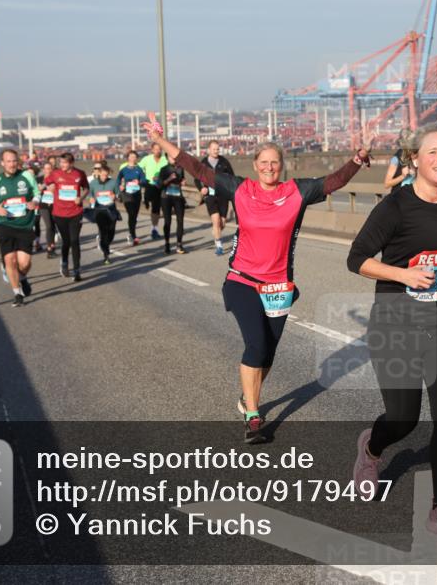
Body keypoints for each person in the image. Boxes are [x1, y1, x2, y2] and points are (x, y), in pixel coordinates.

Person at [143, 113, 368, 443]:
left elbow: (334, 182)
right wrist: (161, 141)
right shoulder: (240, 189)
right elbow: (197, 168)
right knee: (257, 344)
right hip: (242, 280)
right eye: (263, 162)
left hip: (278, 287)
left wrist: (358, 159)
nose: (269, 167)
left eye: (274, 162)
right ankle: (252, 415)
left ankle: (245, 398)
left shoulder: (297, 192)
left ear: (282, 165)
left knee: (268, 354)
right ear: (255, 164)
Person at [348, 122, 437, 544]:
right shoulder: (395, 206)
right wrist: (404, 274)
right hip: (396, 322)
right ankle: (372, 450)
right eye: (432, 151)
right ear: (415, 159)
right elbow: (356, 258)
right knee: (403, 418)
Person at [0, 148, 40, 306]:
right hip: (5, 224)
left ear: (18, 162)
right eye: (8, 161)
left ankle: (22, 278)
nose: (12, 164)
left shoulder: (26, 176)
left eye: (14, 161)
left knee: (24, 263)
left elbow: (36, 193)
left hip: (25, 224)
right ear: (2, 163)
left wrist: (34, 202)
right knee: (10, 261)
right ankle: (17, 294)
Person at [44, 152, 89, 281]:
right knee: (66, 241)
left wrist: (81, 197)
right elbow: (47, 182)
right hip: (59, 213)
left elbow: (86, 188)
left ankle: (77, 270)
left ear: (71, 163)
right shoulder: (56, 173)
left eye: (64, 163)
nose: (62, 165)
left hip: (76, 212)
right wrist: (50, 187)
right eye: (60, 163)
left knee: (75, 241)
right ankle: (64, 262)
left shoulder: (79, 174)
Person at [195, 140, 236, 255]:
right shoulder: (203, 163)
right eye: (214, 149)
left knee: (222, 222)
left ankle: (216, 231)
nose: (216, 151)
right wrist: (201, 188)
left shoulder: (224, 162)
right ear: (208, 150)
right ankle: (219, 245)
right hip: (210, 196)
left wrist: (231, 189)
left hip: (223, 195)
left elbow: (232, 177)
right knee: (216, 220)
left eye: (218, 149)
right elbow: (196, 178)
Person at [86, 161, 121, 265]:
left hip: (111, 210)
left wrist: (116, 197)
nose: (104, 177)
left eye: (106, 175)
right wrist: (90, 199)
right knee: (103, 231)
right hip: (99, 210)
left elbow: (118, 195)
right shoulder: (93, 183)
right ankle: (106, 254)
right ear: (99, 173)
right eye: (103, 175)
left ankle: (105, 244)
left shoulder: (113, 182)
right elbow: (89, 195)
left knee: (111, 232)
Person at [158, 153, 187, 255]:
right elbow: (160, 185)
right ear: (167, 158)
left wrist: (183, 181)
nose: (173, 159)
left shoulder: (180, 168)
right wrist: (169, 179)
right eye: (171, 157)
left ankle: (179, 244)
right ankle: (167, 243)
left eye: (174, 157)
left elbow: (182, 180)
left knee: (180, 221)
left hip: (178, 197)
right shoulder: (164, 169)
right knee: (168, 221)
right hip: (166, 198)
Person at [138, 142, 167, 241]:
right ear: (152, 150)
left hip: (161, 186)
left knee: (156, 208)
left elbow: (169, 170)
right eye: (156, 149)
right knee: (150, 203)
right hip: (149, 185)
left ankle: (154, 228)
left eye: (159, 149)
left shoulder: (165, 160)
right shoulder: (147, 159)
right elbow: (139, 168)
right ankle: (145, 201)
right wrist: (143, 177)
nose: (158, 151)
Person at [117, 151, 147, 245]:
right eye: (131, 156)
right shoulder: (123, 170)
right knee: (131, 213)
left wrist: (139, 182)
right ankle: (132, 235)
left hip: (137, 194)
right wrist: (120, 187)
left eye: (135, 156)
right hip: (127, 194)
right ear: (128, 158)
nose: (133, 158)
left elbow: (144, 181)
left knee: (134, 215)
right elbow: (117, 180)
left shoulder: (139, 169)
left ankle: (132, 233)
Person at [36, 159, 58, 258]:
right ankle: (49, 248)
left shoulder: (56, 179)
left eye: (49, 169)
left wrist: (54, 190)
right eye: (45, 169)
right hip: (43, 205)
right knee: (48, 225)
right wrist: (39, 189)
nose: (47, 171)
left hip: (54, 204)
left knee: (53, 226)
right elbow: (35, 192)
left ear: (52, 169)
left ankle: (52, 246)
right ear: (43, 170)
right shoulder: (39, 179)